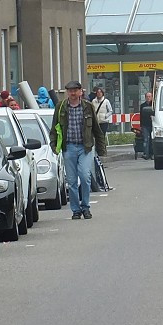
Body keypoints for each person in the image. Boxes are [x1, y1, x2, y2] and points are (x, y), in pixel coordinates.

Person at [50, 80, 107, 220]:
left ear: (80, 91)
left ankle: (86, 207)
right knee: (72, 181)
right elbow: (54, 128)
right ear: (67, 92)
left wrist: (101, 148)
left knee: (85, 176)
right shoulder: (61, 107)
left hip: (85, 147)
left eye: (75, 90)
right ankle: (76, 210)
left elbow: (96, 128)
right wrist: (54, 146)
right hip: (68, 147)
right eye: (70, 91)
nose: (73, 93)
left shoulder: (87, 106)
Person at [138, 91, 154, 160]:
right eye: (147, 96)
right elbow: (141, 116)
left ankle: (152, 154)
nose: (148, 98)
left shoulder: (153, 105)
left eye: (149, 96)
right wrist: (141, 125)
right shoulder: (142, 106)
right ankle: (146, 154)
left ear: (152, 97)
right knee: (146, 139)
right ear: (145, 97)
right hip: (145, 125)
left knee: (152, 140)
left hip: (152, 124)